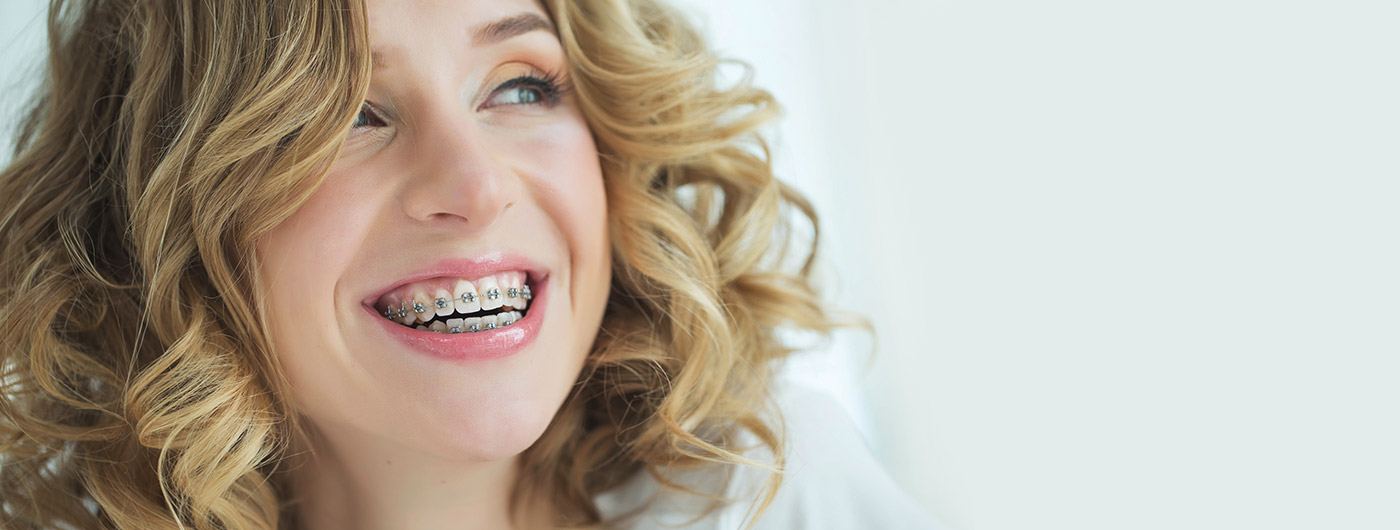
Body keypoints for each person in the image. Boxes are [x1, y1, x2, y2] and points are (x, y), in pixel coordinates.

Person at [0, 0, 943, 528]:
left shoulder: (777, 498)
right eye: (346, 117)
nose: (474, 183)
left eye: (521, 86)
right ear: (158, 213)